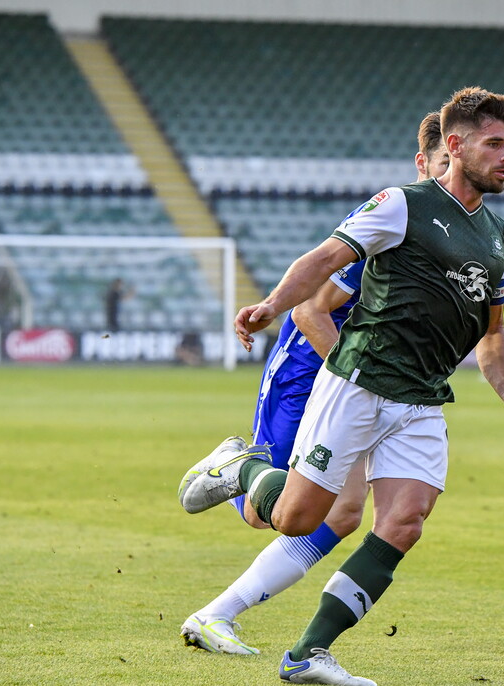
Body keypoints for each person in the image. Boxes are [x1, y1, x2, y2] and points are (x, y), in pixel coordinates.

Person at [179, 86, 504, 686]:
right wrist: (272, 305)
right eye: (494, 143)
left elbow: (493, 335)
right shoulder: (403, 205)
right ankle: (237, 472)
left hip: (423, 399)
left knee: (404, 521)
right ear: (453, 147)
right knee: (299, 517)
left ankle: (306, 655)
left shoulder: (498, 238)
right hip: (360, 382)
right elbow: (324, 259)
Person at [177, 112, 451, 656]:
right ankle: (237, 467)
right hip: (312, 372)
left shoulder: (453, 234)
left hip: (361, 384)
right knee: (269, 514)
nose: (452, 174)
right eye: (443, 163)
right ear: (424, 164)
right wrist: (359, 382)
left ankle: (216, 615)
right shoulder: (396, 218)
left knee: (344, 514)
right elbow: (310, 312)